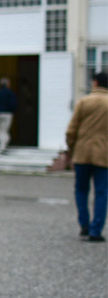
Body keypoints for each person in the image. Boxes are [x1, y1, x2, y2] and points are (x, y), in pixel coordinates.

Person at [65, 71, 108, 242]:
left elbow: (71, 130)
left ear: (95, 83)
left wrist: (71, 149)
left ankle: (84, 224)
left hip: (82, 153)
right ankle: (96, 230)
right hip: (104, 154)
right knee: (102, 192)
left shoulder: (84, 102)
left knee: (81, 189)